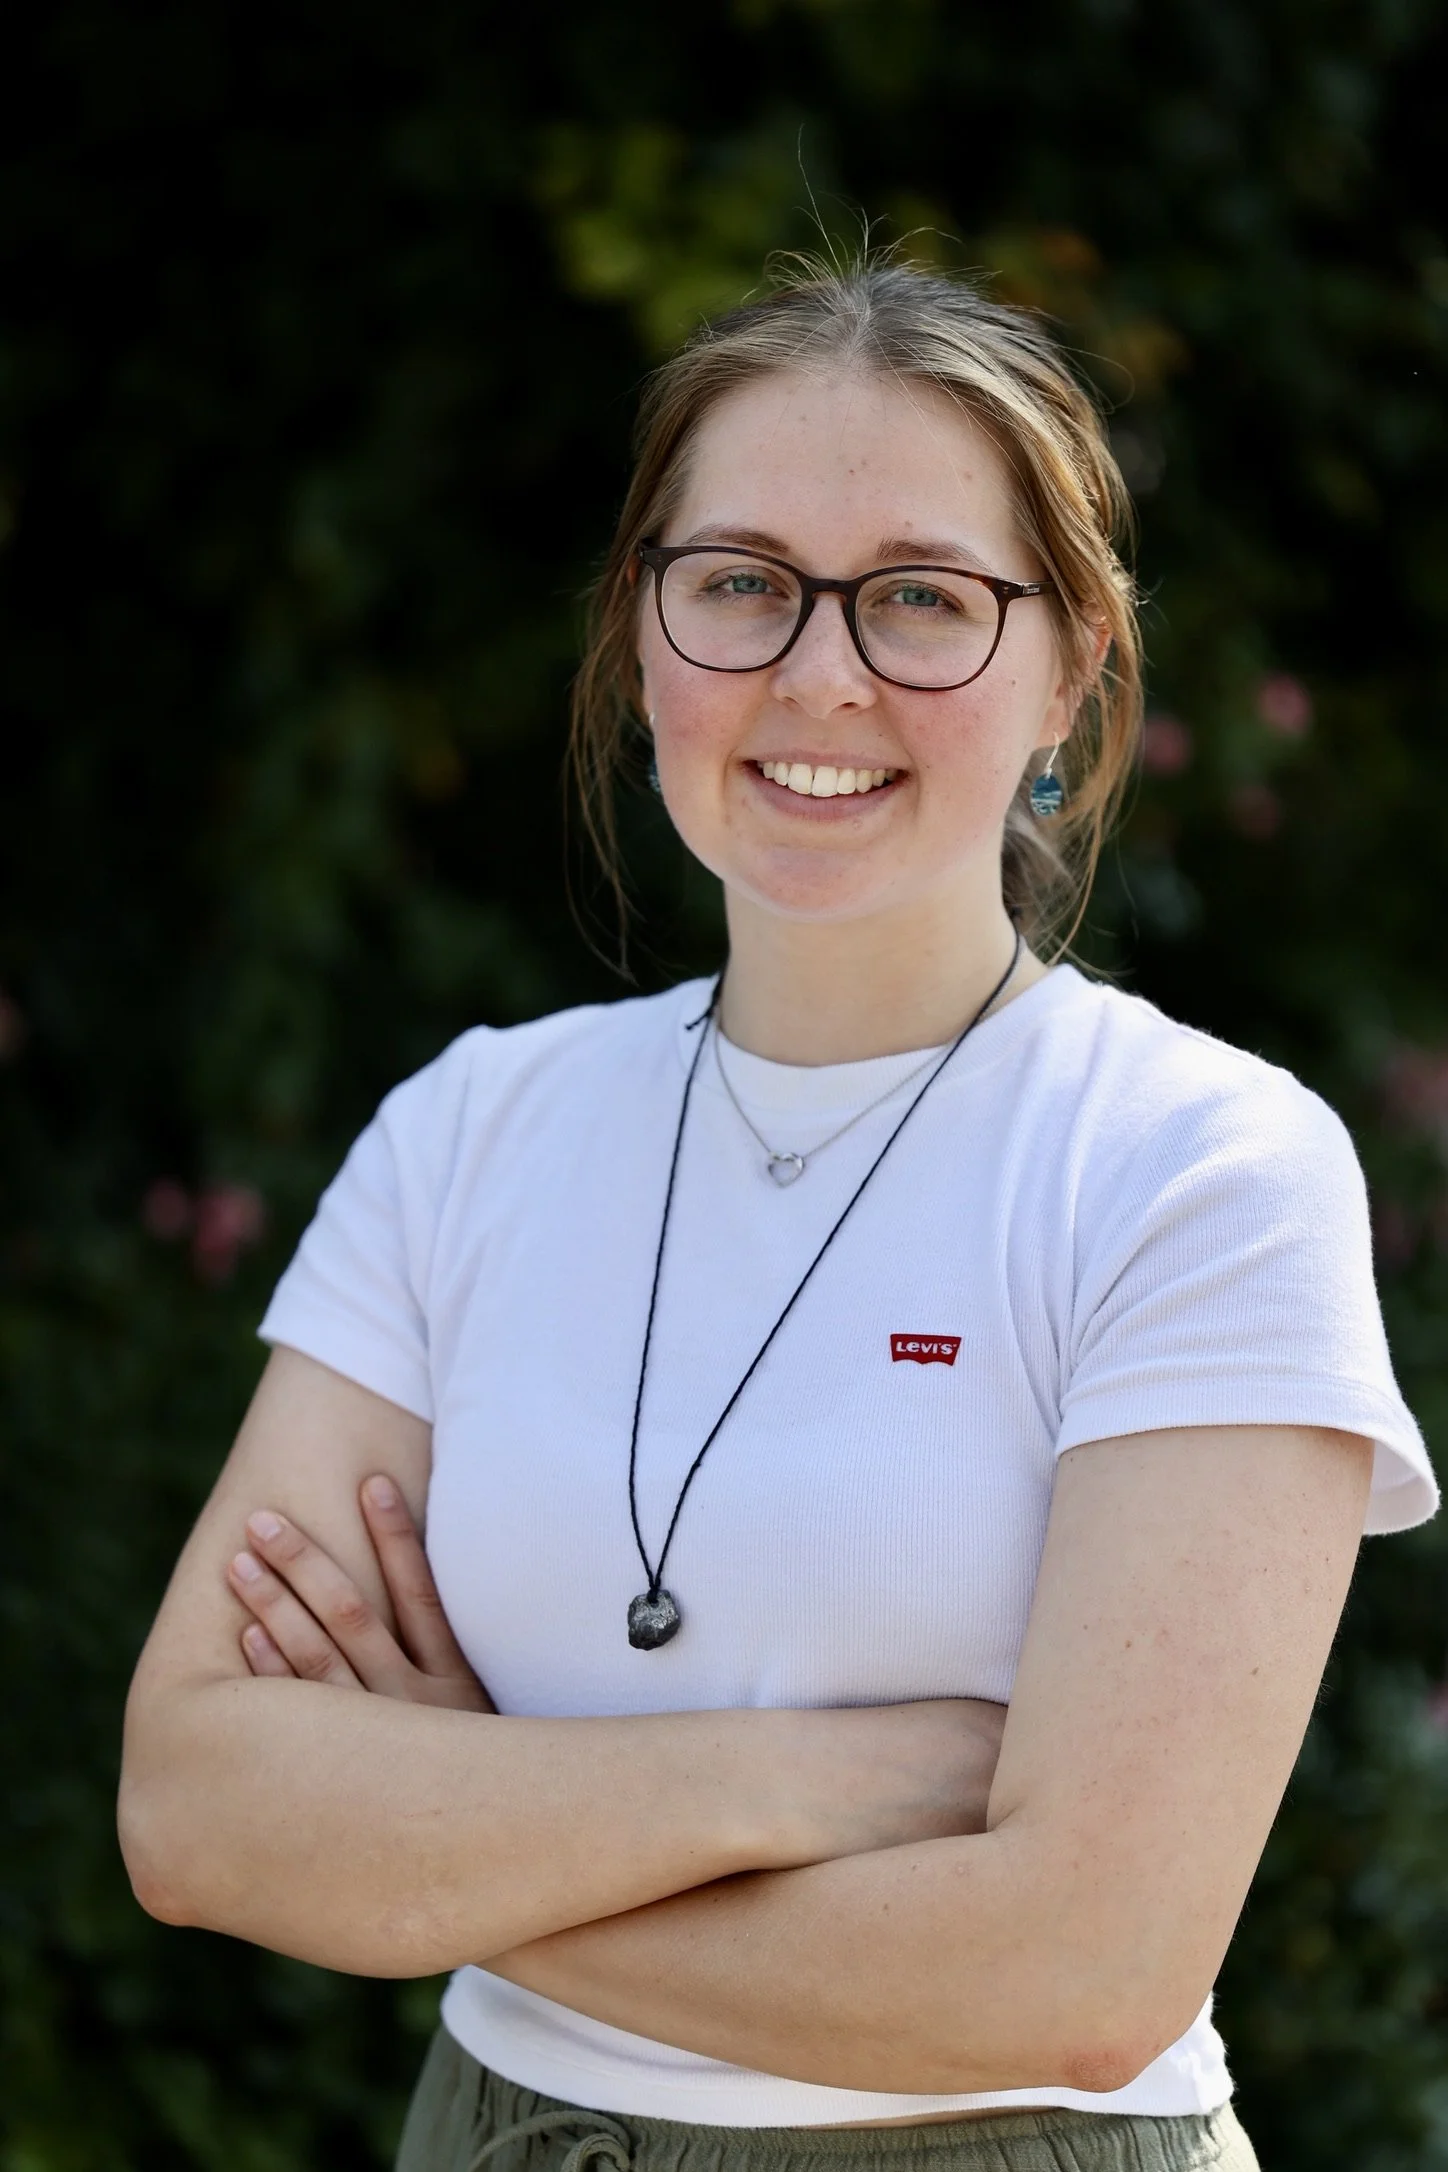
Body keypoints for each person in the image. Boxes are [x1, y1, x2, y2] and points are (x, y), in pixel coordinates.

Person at [118, 256, 1439, 2172]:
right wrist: (810, 1780)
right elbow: (195, 1809)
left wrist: (435, 1844)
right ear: (641, 631)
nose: (820, 676)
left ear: (1071, 670)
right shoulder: (472, 1128)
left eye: (923, 597)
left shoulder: (1199, 1169)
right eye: (740, 582)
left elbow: (1085, 1972)